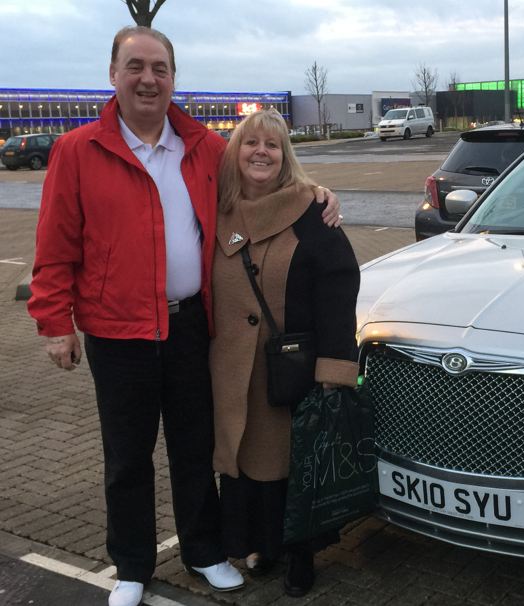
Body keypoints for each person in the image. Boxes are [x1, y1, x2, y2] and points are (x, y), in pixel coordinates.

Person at [27, 26, 341, 606]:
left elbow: (262, 180)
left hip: (193, 324)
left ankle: (202, 550)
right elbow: (55, 248)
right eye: (135, 67)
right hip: (116, 330)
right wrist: (54, 324)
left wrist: (314, 191)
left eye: (160, 68)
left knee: (196, 447)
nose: (148, 79)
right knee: (127, 456)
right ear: (114, 75)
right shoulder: (77, 152)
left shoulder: (206, 149)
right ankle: (132, 566)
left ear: (174, 77)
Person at [209, 108, 360, 597]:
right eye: (251, 143)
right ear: (235, 153)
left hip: (291, 368)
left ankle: (299, 553)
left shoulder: (313, 210)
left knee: (293, 466)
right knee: (245, 463)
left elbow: (340, 287)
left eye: (272, 145)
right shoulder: (215, 208)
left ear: (284, 156)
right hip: (232, 371)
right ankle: (258, 544)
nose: (261, 152)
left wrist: (335, 370)